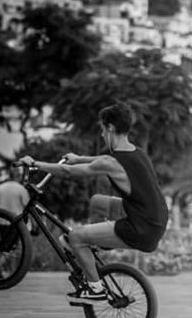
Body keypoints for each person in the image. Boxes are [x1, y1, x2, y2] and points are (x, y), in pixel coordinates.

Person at [17, 102, 168, 304]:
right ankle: (95, 245)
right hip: (155, 217)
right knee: (98, 202)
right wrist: (79, 158)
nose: (102, 135)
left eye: (102, 130)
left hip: (142, 227)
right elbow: (104, 159)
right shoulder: (136, 152)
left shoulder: (112, 162)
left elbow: (68, 172)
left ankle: (95, 289)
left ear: (111, 128)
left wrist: (35, 163)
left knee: (75, 237)